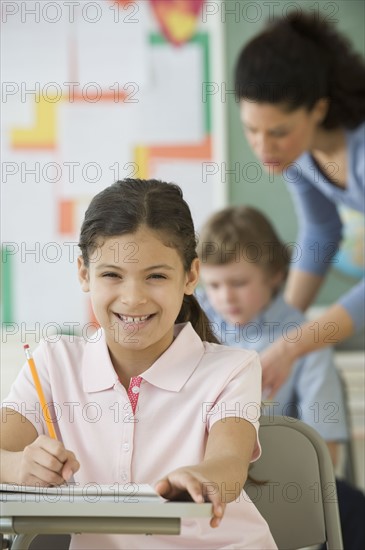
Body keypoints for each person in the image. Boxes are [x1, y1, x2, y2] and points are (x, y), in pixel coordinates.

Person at [0, 179, 277, 550]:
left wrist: (201, 478)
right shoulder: (54, 362)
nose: (133, 298)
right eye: (112, 275)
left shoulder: (232, 368)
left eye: (157, 276)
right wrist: (16, 467)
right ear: (84, 273)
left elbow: (229, 463)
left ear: (191, 276)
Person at [196, 204, 365, 550]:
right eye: (213, 284)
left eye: (239, 283)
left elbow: (325, 454)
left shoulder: (304, 341)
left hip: (276, 485)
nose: (225, 296)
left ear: (274, 275)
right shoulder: (190, 323)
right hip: (204, 481)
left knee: (353, 512)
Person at [234, 12, 365, 397]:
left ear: (318, 110)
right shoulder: (296, 152)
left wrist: (292, 345)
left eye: (278, 132)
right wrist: (279, 328)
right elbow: (321, 231)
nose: (263, 148)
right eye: (251, 129)